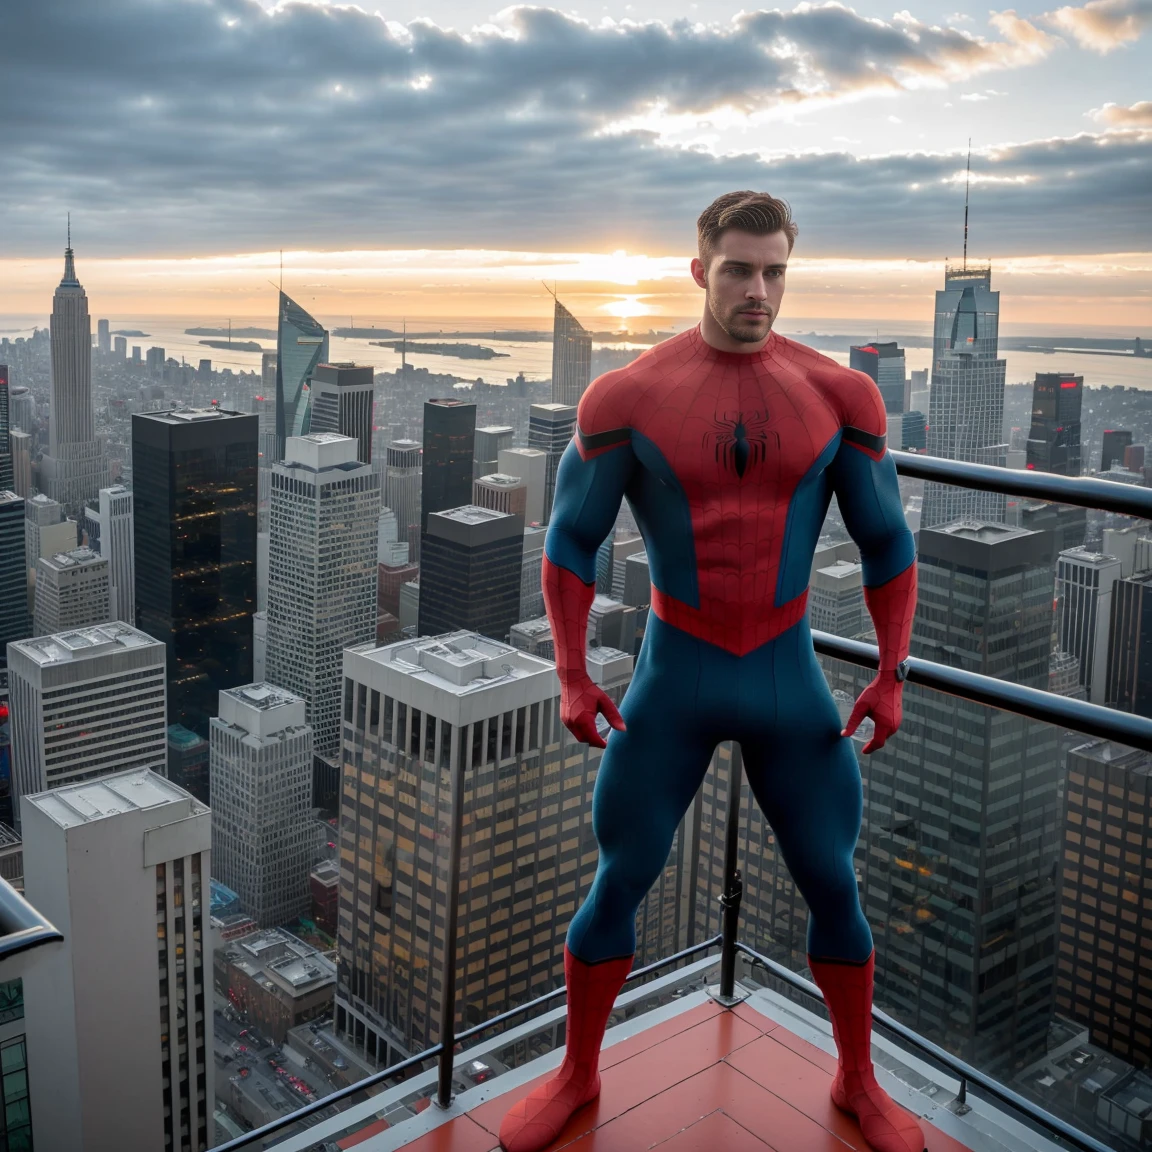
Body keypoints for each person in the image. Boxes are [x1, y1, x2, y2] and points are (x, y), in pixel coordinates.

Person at [498, 191, 923, 1152]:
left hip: (786, 670)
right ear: (700, 270)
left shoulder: (840, 396)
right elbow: (569, 541)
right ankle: (577, 1075)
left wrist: (892, 673)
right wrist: (571, 672)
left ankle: (858, 1079)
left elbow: (889, 543)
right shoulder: (626, 397)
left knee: (833, 883)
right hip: (675, 674)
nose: (758, 290)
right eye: (739, 268)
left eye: (775, 270)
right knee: (620, 879)